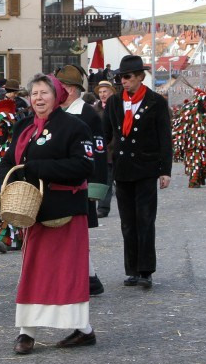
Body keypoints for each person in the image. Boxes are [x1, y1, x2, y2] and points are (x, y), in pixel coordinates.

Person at [0, 74, 97, 355]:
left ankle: (84, 329)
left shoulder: (74, 127)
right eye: (34, 94)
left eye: (44, 93)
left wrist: (40, 168)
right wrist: (6, 178)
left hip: (65, 210)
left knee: (67, 273)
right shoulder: (23, 126)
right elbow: (9, 160)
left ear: (57, 96)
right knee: (33, 271)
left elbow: (84, 166)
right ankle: (26, 332)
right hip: (32, 210)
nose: (38, 98)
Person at [101, 55, 172, 289]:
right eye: (121, 76)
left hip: (146, 169)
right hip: (122, 170)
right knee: (127, 223)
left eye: (128, 76)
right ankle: (131, 270)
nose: (124, 81)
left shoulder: (156, 102)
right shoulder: (113, 103)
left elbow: (164, 139)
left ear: (141, 77)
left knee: (145, 220)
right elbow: (105, 135)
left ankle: (146, 270)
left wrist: (165, 170)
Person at [56, 64, 108, 297]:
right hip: (61, 183)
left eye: (60, 87)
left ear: (71, 89)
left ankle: (88, 279)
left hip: (81, 184)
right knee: (67, 234)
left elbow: (98, 151)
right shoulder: (60, 112)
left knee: (75, 234)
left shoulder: (87, 114)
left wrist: (96, 187)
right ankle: (88, 278)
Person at [0, 98, 23, 252]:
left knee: (13, 204)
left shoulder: (15, 141)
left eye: (2, 123)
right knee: (7, 205)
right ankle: (11, 239)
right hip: (2, 176)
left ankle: (7, 239)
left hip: (15, 176)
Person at [175, 88, 206, 189]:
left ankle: (200, 178)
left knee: (205, 164)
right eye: (202, 99)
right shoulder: (188, 109)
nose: (204, 101)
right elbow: (181, 123)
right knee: (194, 162)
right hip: (191, 142)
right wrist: (181, 139)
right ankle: (193, 181)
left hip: (205, 141)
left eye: (205, 99)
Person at [93, 80, 117, 217]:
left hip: (117, 149)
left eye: (105, 92)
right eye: (100, 92)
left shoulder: (118, 107)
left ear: (111, 92)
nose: (102, 95)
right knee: (106, 180)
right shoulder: (95, 110)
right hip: (103, 150)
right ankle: (102, 208)